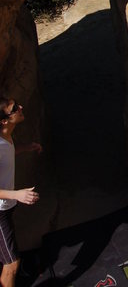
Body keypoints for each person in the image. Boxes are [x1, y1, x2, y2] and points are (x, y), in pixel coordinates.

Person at [0, 97, 42, 287]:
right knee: (12, 264)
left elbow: (7, 153)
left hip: (6, 207)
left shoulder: (6, 137)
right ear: (4, 120)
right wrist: (17, 194)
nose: (21, 107)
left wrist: (26, 148)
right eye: (15, 108)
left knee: (9, 249)